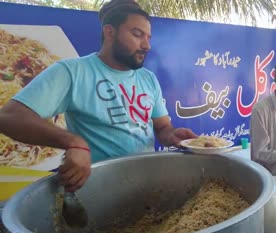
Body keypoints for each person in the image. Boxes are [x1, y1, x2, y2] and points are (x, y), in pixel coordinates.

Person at [0, 0, 196, 192]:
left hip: (147, 186)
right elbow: (9, 117)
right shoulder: (73, 72)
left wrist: (172, 135)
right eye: (137, 34)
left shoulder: (148, 78)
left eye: (148, 37)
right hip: (98, 194)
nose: (147, 45)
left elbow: (162, 127)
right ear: (109, 32)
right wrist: (74, 142)